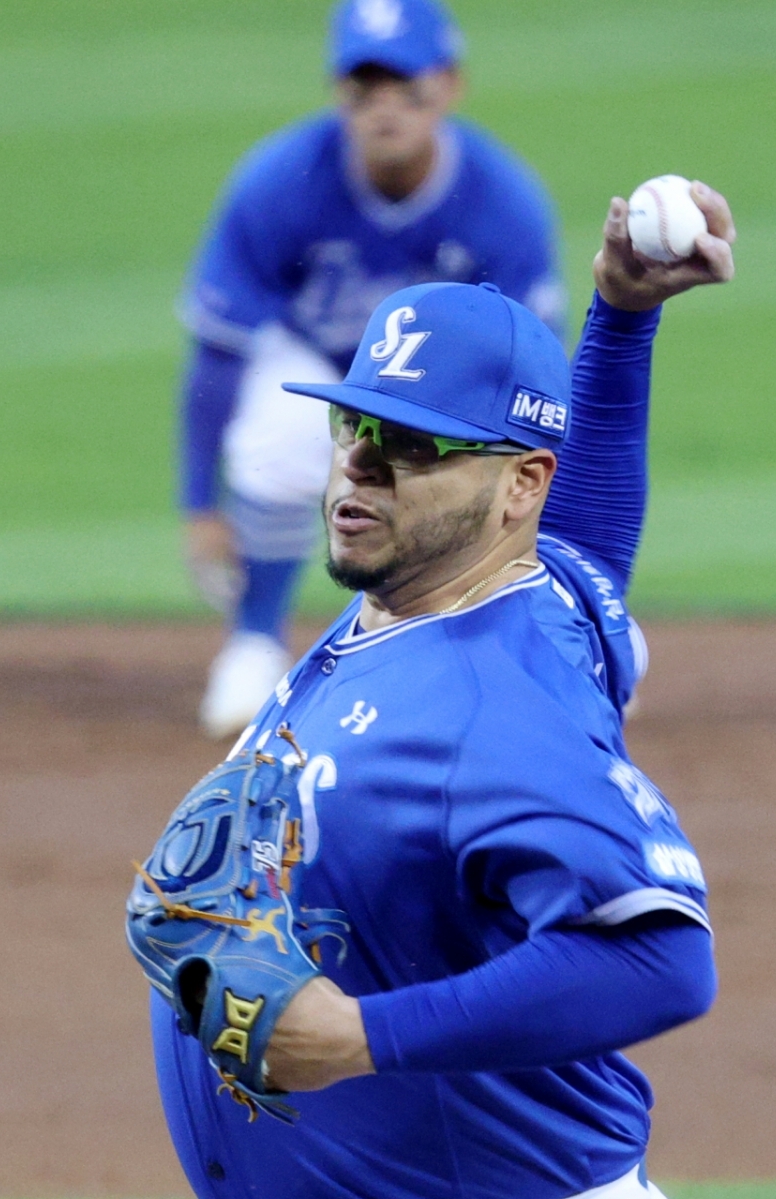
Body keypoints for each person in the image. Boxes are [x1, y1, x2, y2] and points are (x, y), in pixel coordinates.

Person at [155, 186, 736, 1199]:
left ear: (512, 485)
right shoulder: (479, 593)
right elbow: (590, 536)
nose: (359, 468)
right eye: (353, 426)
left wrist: (361, 1037)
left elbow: (663, 959)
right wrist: (622, 320)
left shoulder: (502, 711)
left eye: (412, 448)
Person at [181, 0, 563, 737]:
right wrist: (200, 504)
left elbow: (538, 367)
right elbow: (220, 349)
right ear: (339, 92)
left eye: (407, 87)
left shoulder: (501, 200)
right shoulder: (280, 181)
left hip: (444, 393)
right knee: (278, 444)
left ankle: (514, 639)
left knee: (472, 478)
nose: (386, 109)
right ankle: (254, 640)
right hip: (317, 363)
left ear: (449, 86)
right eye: (365, 89)